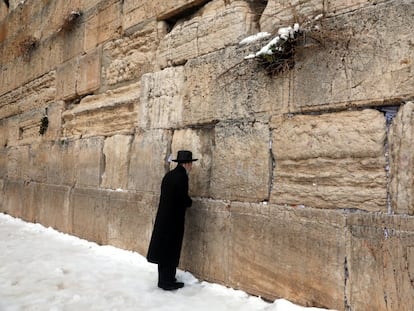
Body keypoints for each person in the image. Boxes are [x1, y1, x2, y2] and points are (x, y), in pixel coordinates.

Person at [147, 150, 198, 290]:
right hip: (174, 220)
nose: (191, 167)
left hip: (164, 218)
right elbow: (182, 198)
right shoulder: (182, 177)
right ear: (187, 164)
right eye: (191, 164)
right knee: (171, 251)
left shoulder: (169, 175)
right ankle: (168, 282)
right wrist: (190, 202)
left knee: (164, 250)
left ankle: (163, 279)